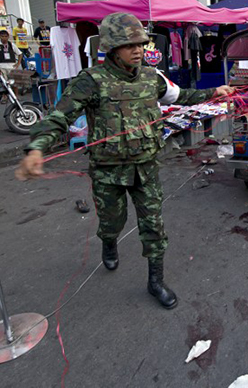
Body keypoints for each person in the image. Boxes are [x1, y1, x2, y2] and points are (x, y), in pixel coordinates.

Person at [15, 13, 235, 310]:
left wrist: (214, 92)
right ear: (111, 47)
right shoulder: (91, 82)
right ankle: (109, 242)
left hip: (146, 168)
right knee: (111, 222)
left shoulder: (150, 77)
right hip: (108, 172)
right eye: (129, 45)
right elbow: (58, 117)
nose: (138, 50)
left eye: (141, 44)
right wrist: (36, 148)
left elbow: (181, 95)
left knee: (154, 226)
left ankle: (155, 281)